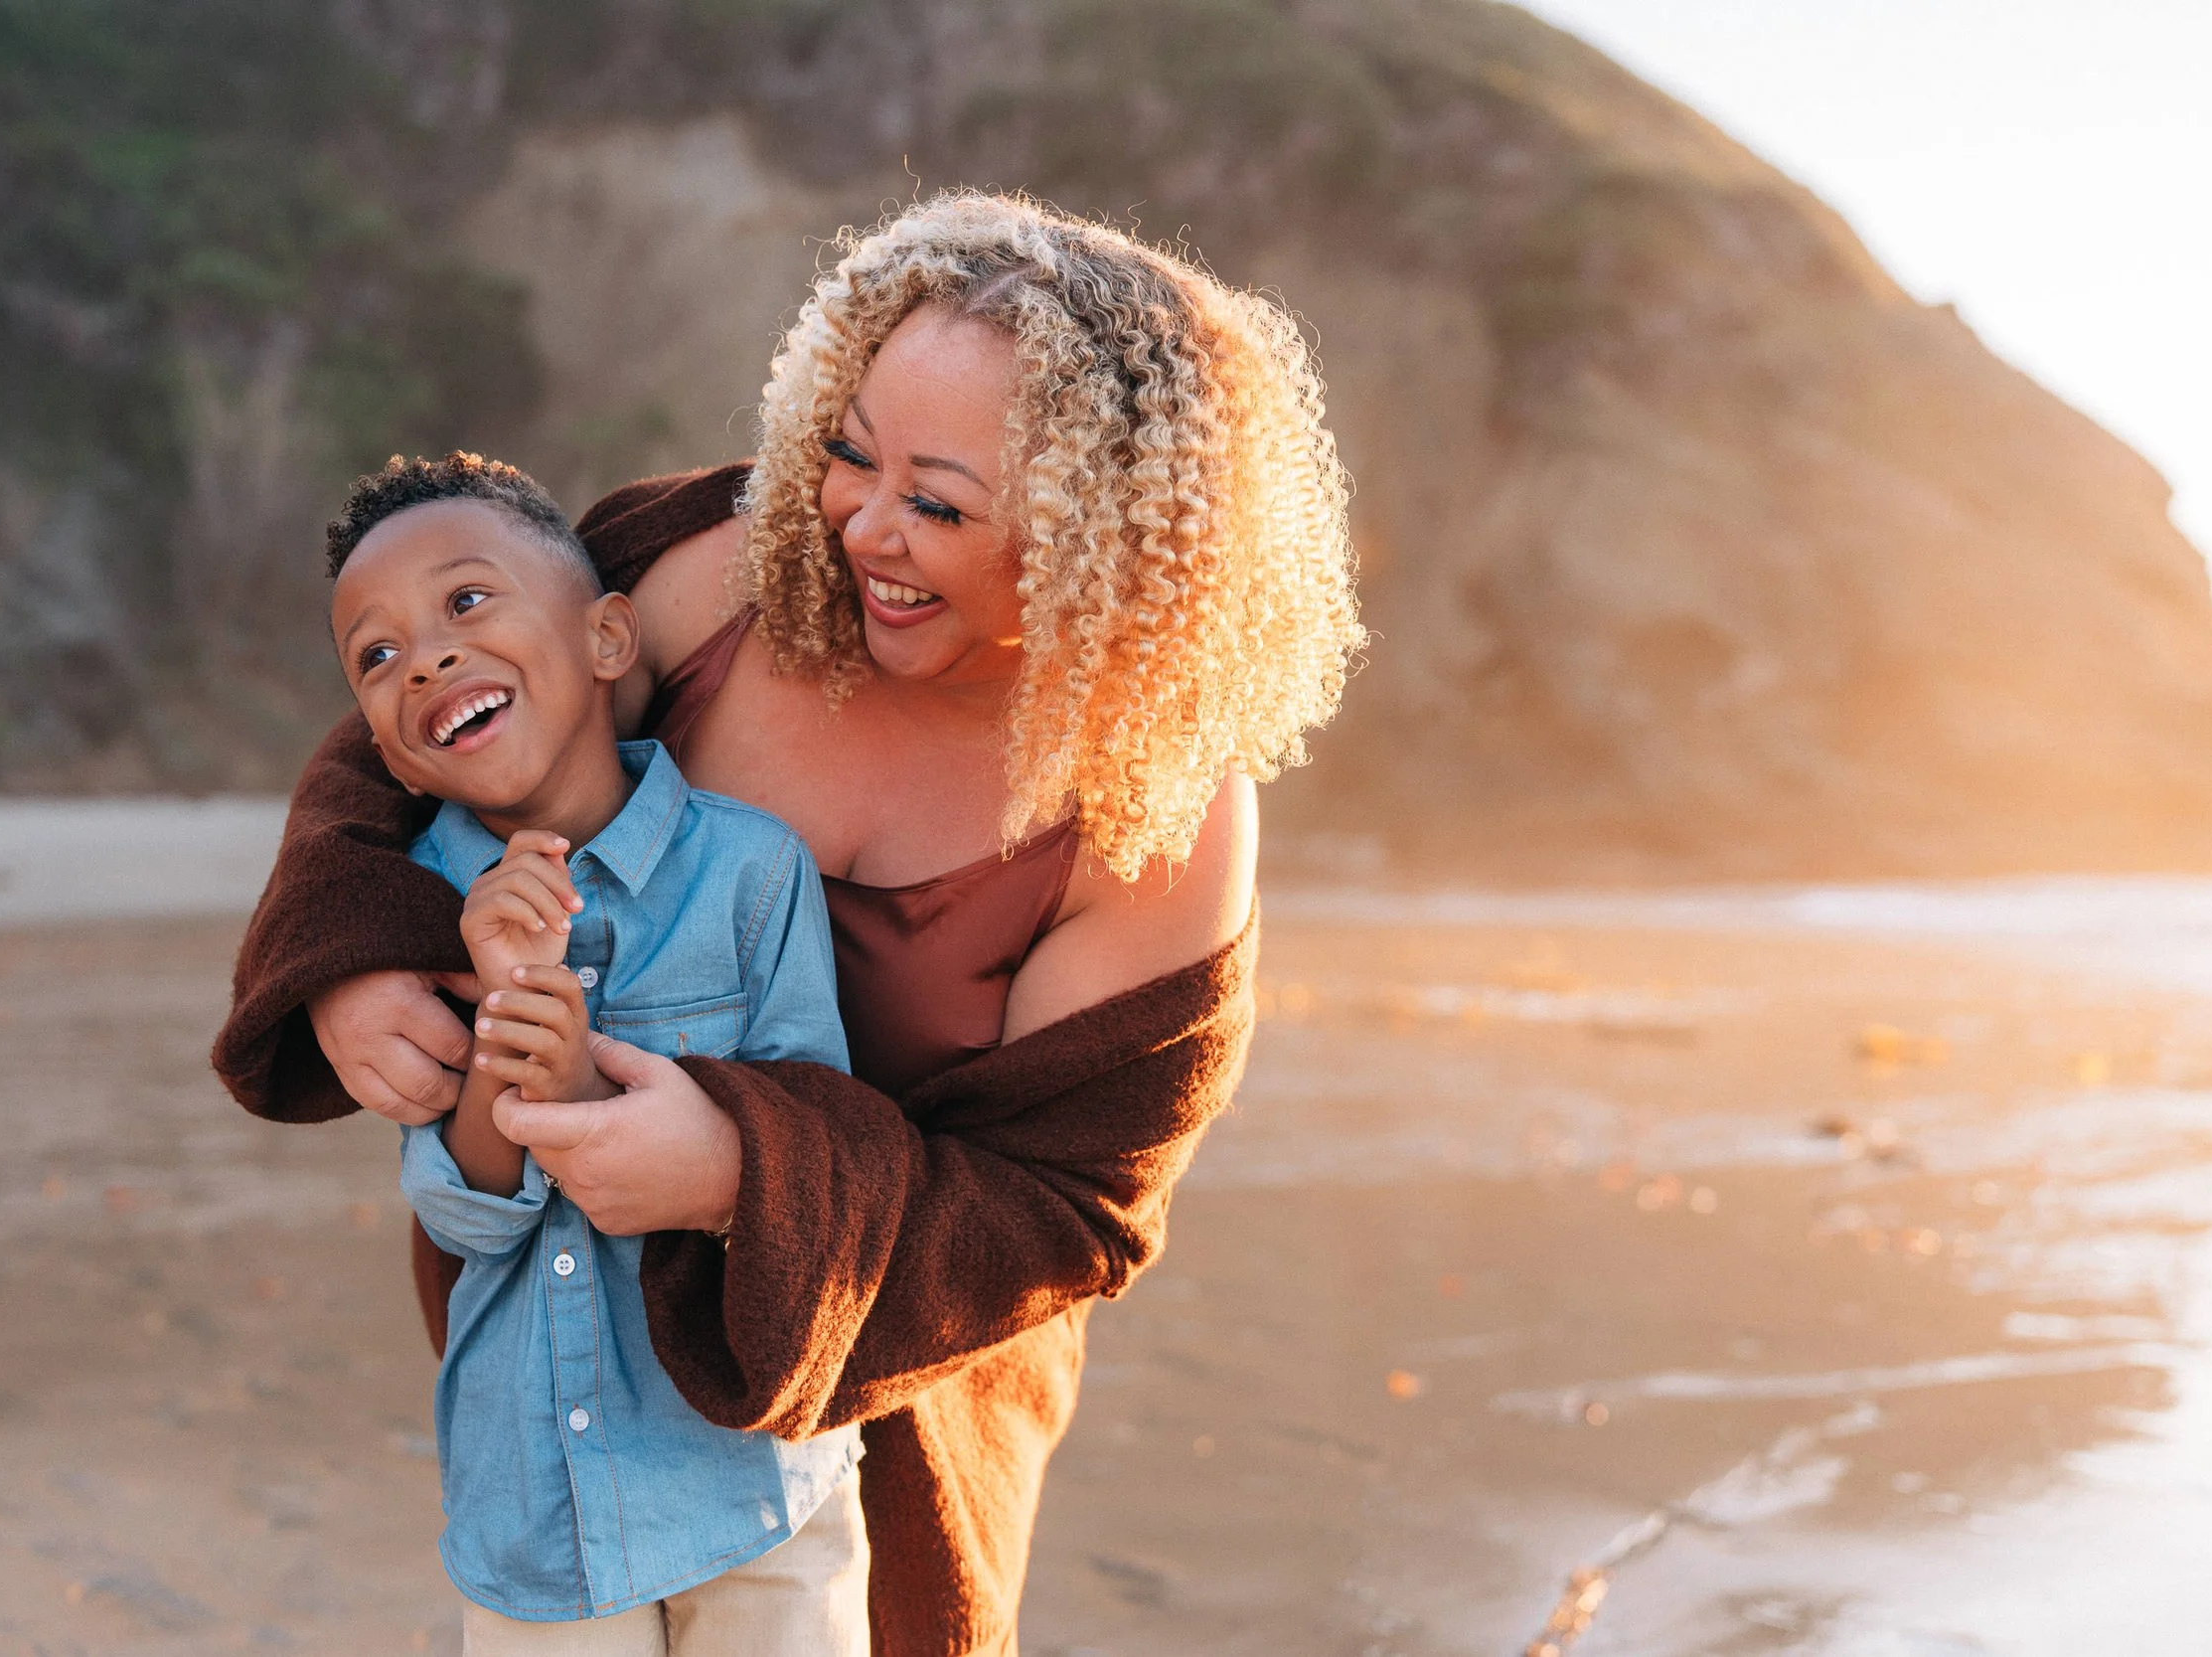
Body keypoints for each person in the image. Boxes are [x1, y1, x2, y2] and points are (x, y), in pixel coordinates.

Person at [215, 190, 1361, 1656]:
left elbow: (1069, 1211)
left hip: (891, 1399)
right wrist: (355, 945)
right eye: (845, 451)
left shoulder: (1156, 816)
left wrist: (744, 1176)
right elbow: (435, 718)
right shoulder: (714, 573)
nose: (860, 527)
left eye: (939, 502)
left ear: (1105, 545)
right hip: (560, 1338)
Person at [323, 451, 867, 1656]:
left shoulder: (749, 870)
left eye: (467, 602)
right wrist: (515, 1057)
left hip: (752, 1479)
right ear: (397, 755)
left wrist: (618, 1102)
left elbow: (817, 1139)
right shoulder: (414, 918)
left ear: (609, 638)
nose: (426, 655)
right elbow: (459, 1216)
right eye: (377, 653)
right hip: (536, 1499)